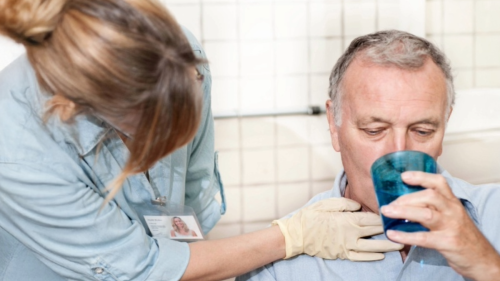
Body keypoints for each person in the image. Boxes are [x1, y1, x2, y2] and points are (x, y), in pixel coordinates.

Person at [0, 1, 402, 280]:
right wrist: (291, 237)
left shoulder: (179, 58)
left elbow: (188, 191)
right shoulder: (17, 151)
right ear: (81, 108)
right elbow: (135, 269)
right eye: (373, 129)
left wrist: (198, 265)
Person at [238, 30, 500, 281]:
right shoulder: (276, 268)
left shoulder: (493, 214)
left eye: (422, 131)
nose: (398, 152)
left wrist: (488, 266)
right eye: (374, 130)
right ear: (333, 124)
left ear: (445, 124)